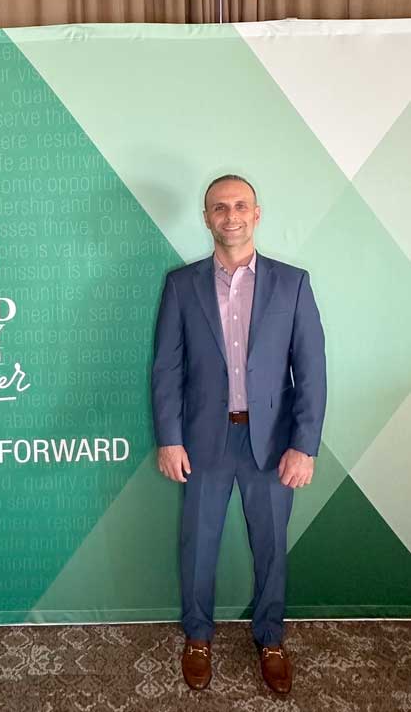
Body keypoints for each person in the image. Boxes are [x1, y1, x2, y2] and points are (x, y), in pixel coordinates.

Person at [151, 174, 326, 695]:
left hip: (271, 445)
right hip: (203, 441)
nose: (231, 215)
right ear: (206, 217)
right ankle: (197, 636)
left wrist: (304, 445)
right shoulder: (181, 285)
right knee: (198, 544)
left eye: (240, 205)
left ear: (257, 213)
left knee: (271, 546)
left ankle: (270, 638)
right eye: (220, 207)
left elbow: (311, 373)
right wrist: (169, 438)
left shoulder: (293, 284)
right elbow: (167, 370)